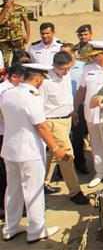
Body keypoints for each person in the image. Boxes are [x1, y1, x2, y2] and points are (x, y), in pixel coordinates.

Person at [1, 63, 65, 243]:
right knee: (33, 190)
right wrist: (56, 148)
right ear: (37, 79)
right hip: (29, 151)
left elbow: (3, 116)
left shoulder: (7, 93)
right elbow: (41, 126)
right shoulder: (31, 97)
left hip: (10, 149)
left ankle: (10, 227)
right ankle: (36, 230)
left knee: (12, 190)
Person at [39, 51, 89, 204]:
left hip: (66, 119)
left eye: (69, 68)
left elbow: (68, 96)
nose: (66, 71)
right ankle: (75, 192)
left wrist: (73, 112)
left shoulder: (66, 76)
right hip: (53, 121)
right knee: (66, 156)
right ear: (54, 66)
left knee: (51, 155)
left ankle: (43, 183)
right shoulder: (45, 82)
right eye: (63, 69)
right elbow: (40, 106)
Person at [75, 40, 103, 189]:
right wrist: (75, 108)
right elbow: (82, 89)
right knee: (96, 143)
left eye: (95, 55)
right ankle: (100, 172)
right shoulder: (87, 68)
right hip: (91, 112)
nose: (92, 58)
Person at [0, 62, 27, 220]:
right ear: (14, 76)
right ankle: (9, 209)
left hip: (7, 133)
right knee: (7, 175)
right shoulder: (5, 90)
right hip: (5, 134)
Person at [68, 31, 92, 175]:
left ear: (74, 54)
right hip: (64, 108)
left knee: (79, 137)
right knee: (67, 139)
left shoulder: (84, 67)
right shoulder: (56, 70)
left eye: (66, 53)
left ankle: (80, 163)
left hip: (80, 107)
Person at [0, 0, 30, 67]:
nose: (8, 1)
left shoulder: (20, 8)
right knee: (4, 61)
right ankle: (6, 76)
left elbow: (26, 22)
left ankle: (18, 74)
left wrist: (27, 35)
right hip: (4, 39)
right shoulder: (0, 9)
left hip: (17, 38)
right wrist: (5, 9)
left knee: (20, 58)